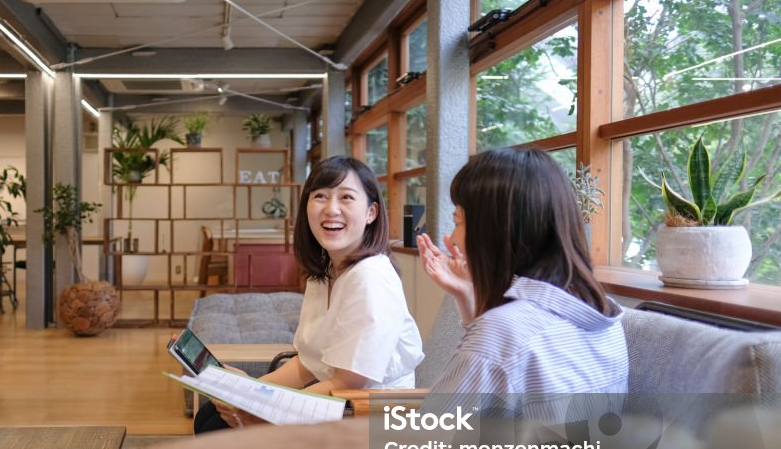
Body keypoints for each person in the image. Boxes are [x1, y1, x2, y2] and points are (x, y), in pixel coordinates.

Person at [195, 156, 424, 433]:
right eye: (320, 196)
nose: (332, 209)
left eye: (346, 197)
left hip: (366, 419)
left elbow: (348, 384)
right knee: (209, 415)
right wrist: (251, 389)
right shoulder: (326, 270)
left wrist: (265, 410)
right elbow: (307, 364)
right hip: (332, 404)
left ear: (371, 213)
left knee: (216, 429)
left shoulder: (370, 279)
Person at [417, 147, 628, 398]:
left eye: (458, 221)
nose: (451, 239)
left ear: (496, 231)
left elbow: (435, 432)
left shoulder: (503, 332)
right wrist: (466, 295)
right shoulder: (602, 315)